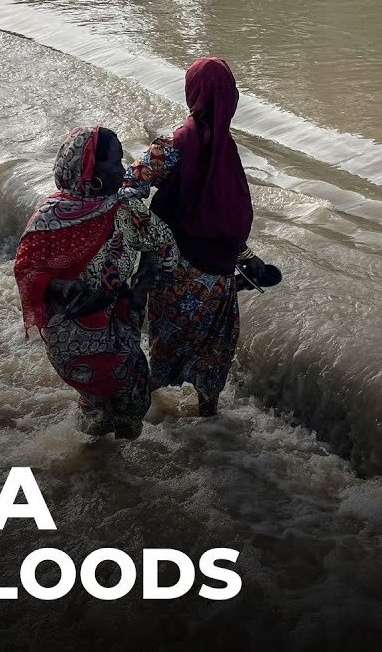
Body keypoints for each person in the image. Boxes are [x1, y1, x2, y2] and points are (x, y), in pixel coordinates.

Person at [14, 126, 178, 439]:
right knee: (132, 398)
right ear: (92, 172)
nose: (123, 169)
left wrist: (139, 291)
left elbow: (162, 243)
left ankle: (94, 459)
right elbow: (26, 270)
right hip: (84, 333)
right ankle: (118, 475)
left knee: (98, 404)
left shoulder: (53, 216)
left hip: (80, 339)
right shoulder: (111, 212)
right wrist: (67, 287)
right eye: (115, 163)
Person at [126, 57, 267, 417]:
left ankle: (137, 409)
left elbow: (130, 187)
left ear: (194, 93)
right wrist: (246, 258)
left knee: (166, 341)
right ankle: (208, 417)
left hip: (172, 268)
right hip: (216, 276)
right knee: (213, 347)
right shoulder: (227, 152)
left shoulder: (172, 145)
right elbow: (230, 219)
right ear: (230, 100)